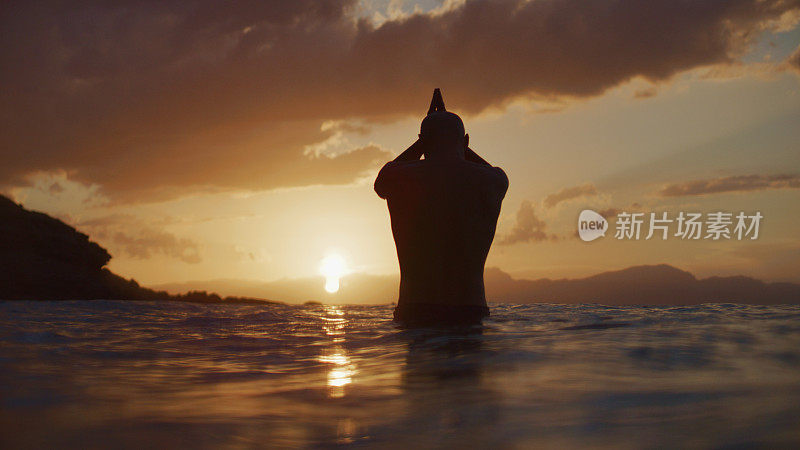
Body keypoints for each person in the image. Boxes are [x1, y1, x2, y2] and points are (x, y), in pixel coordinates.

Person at [375, 89, 509, 325]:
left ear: (422, 142)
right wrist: (460, 146)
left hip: (416, 311)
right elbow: (493, 173)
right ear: (466, 142)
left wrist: (421, 143)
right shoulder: (491, 181)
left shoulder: (400, 178)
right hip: (470, 311)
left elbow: (381, 182)